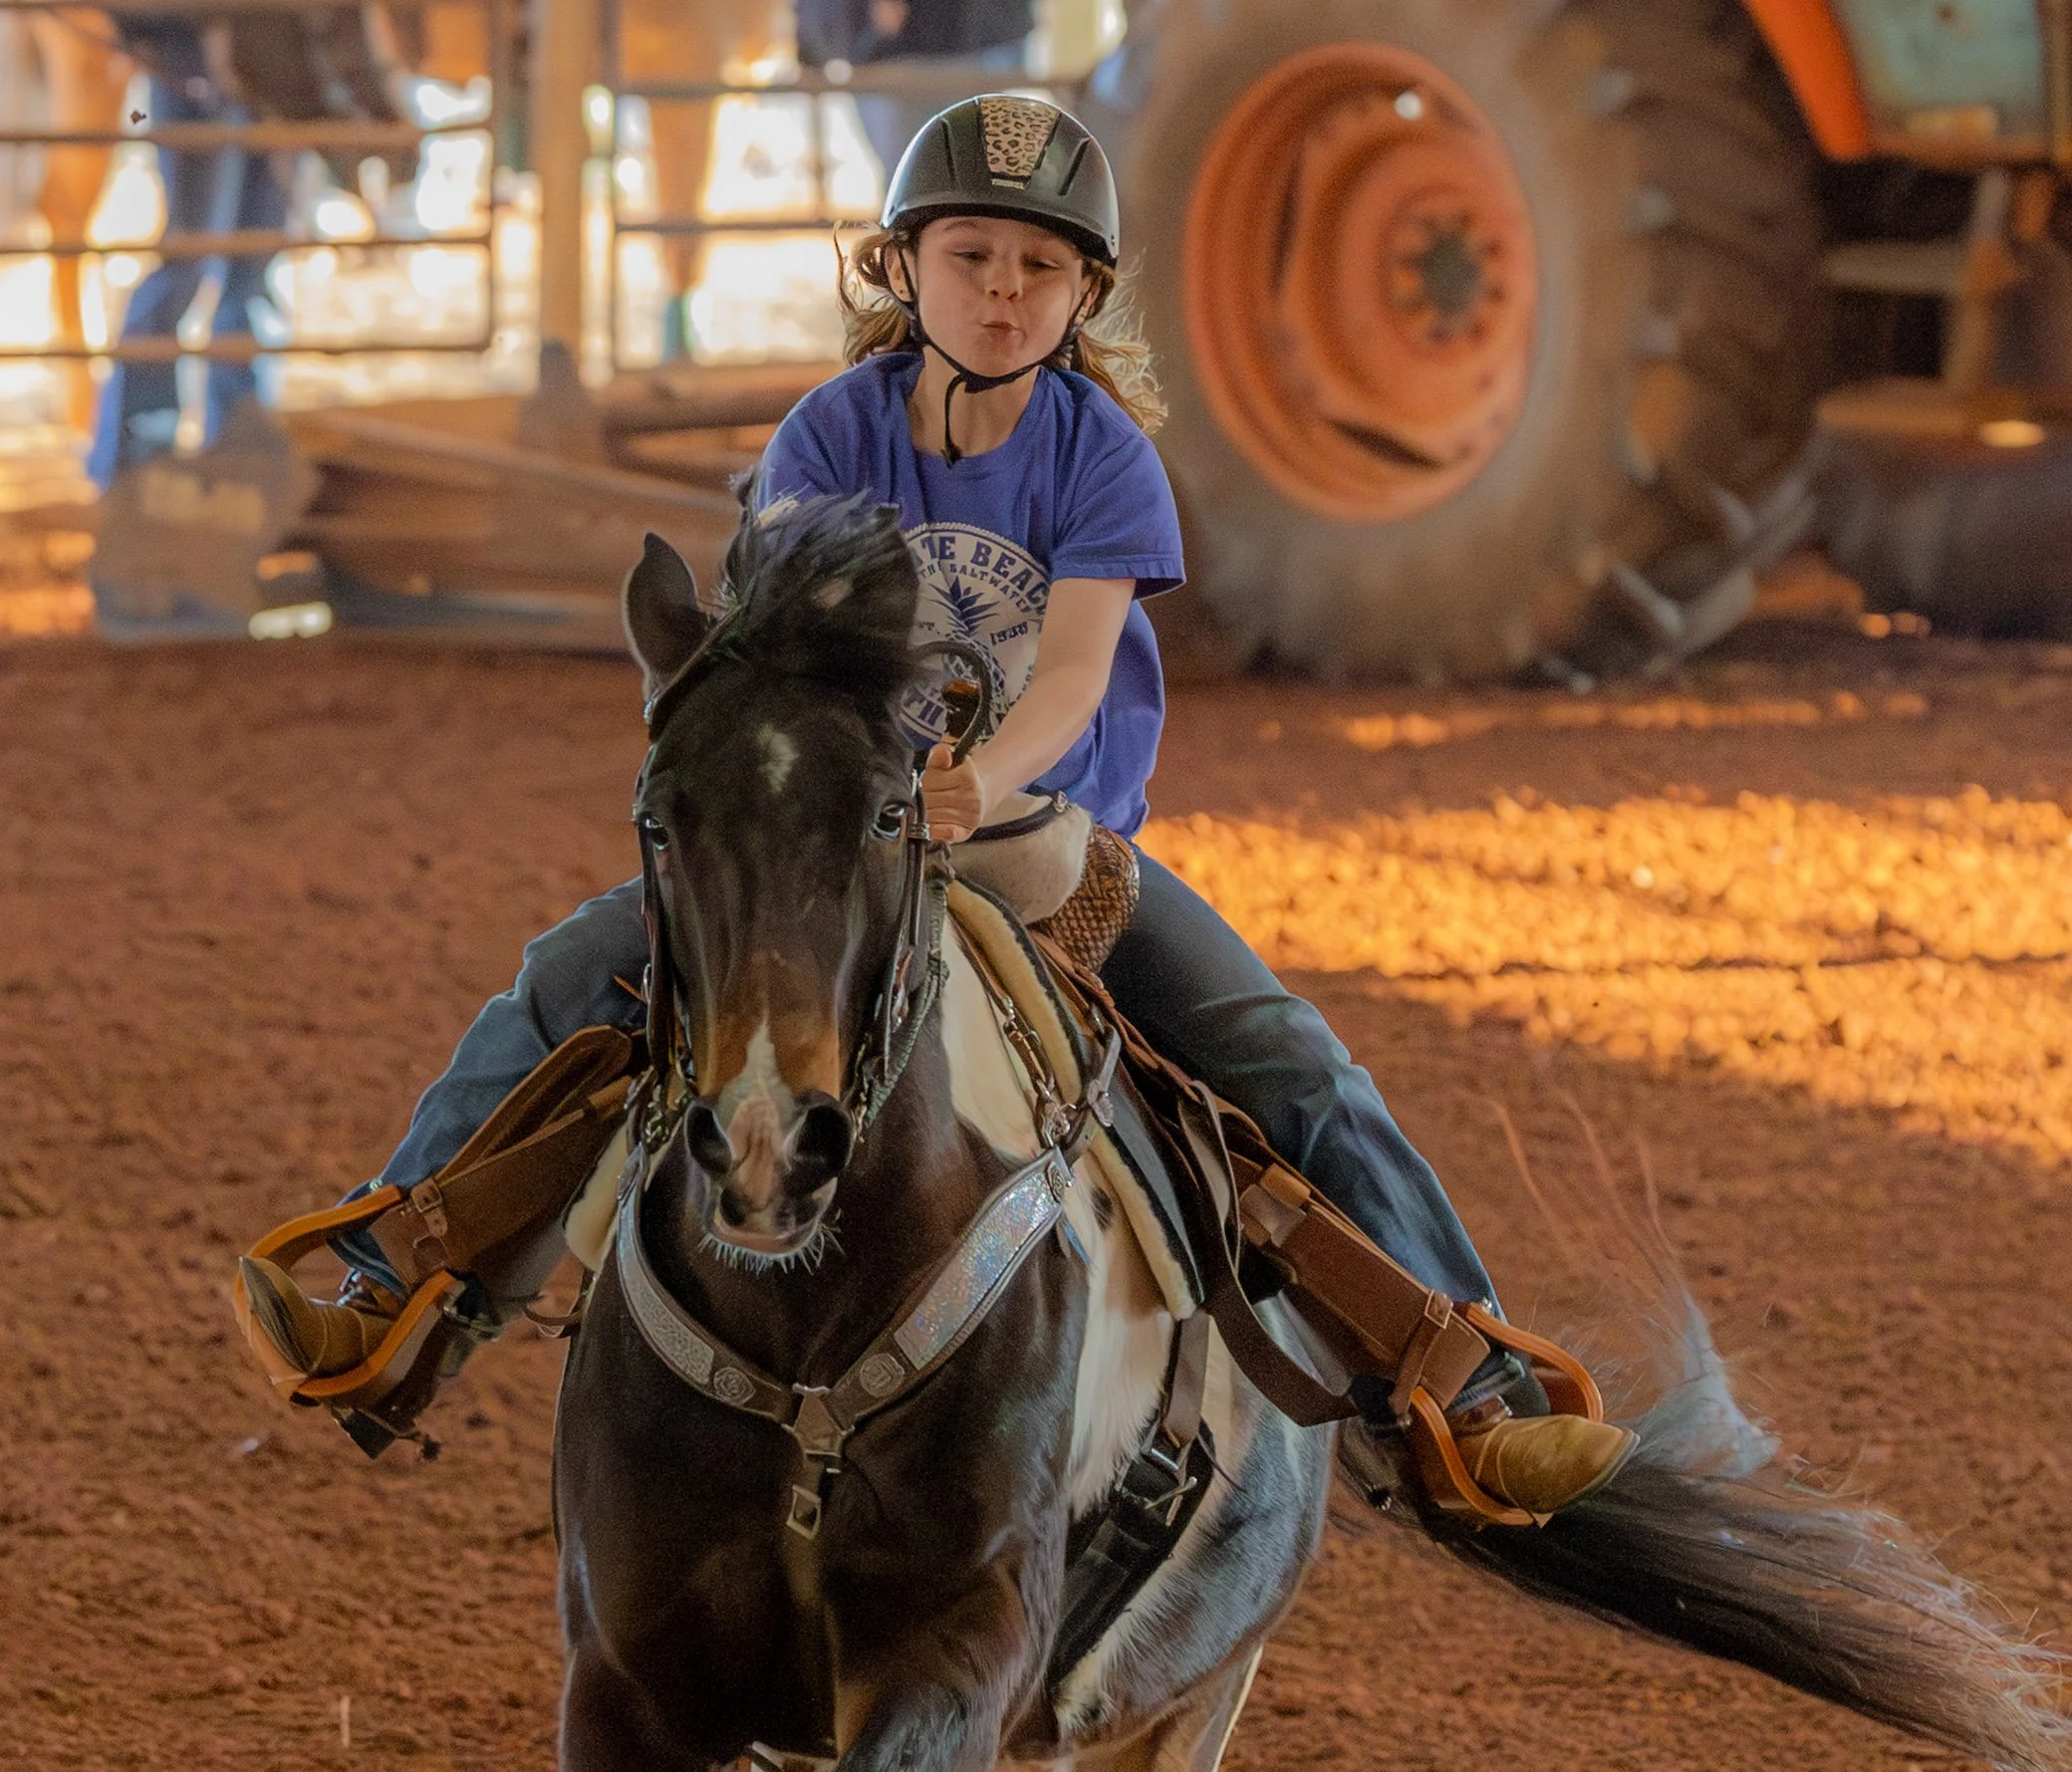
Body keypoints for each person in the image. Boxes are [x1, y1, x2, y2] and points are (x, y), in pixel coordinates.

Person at [243, 97, 1631, 1519]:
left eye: (1039, 270)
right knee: (567, 983)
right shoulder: (825, 434)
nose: (1002, 295)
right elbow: (779, 657)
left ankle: (1471, 1392)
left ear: (1084, 292)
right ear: (901, 269)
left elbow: (1079, 669)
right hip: (840, 850)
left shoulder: (1101, 455)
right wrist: (866, 796)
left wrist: (984, 782)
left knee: (1287, 1062)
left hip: (1043, 851)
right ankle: (386, 1290)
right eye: (970, 257)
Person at [88, 19, 286, 489]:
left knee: (252, 262)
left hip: (272, 64)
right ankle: (137, 460)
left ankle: (241, 448)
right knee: (192, 259)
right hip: (193, 59)